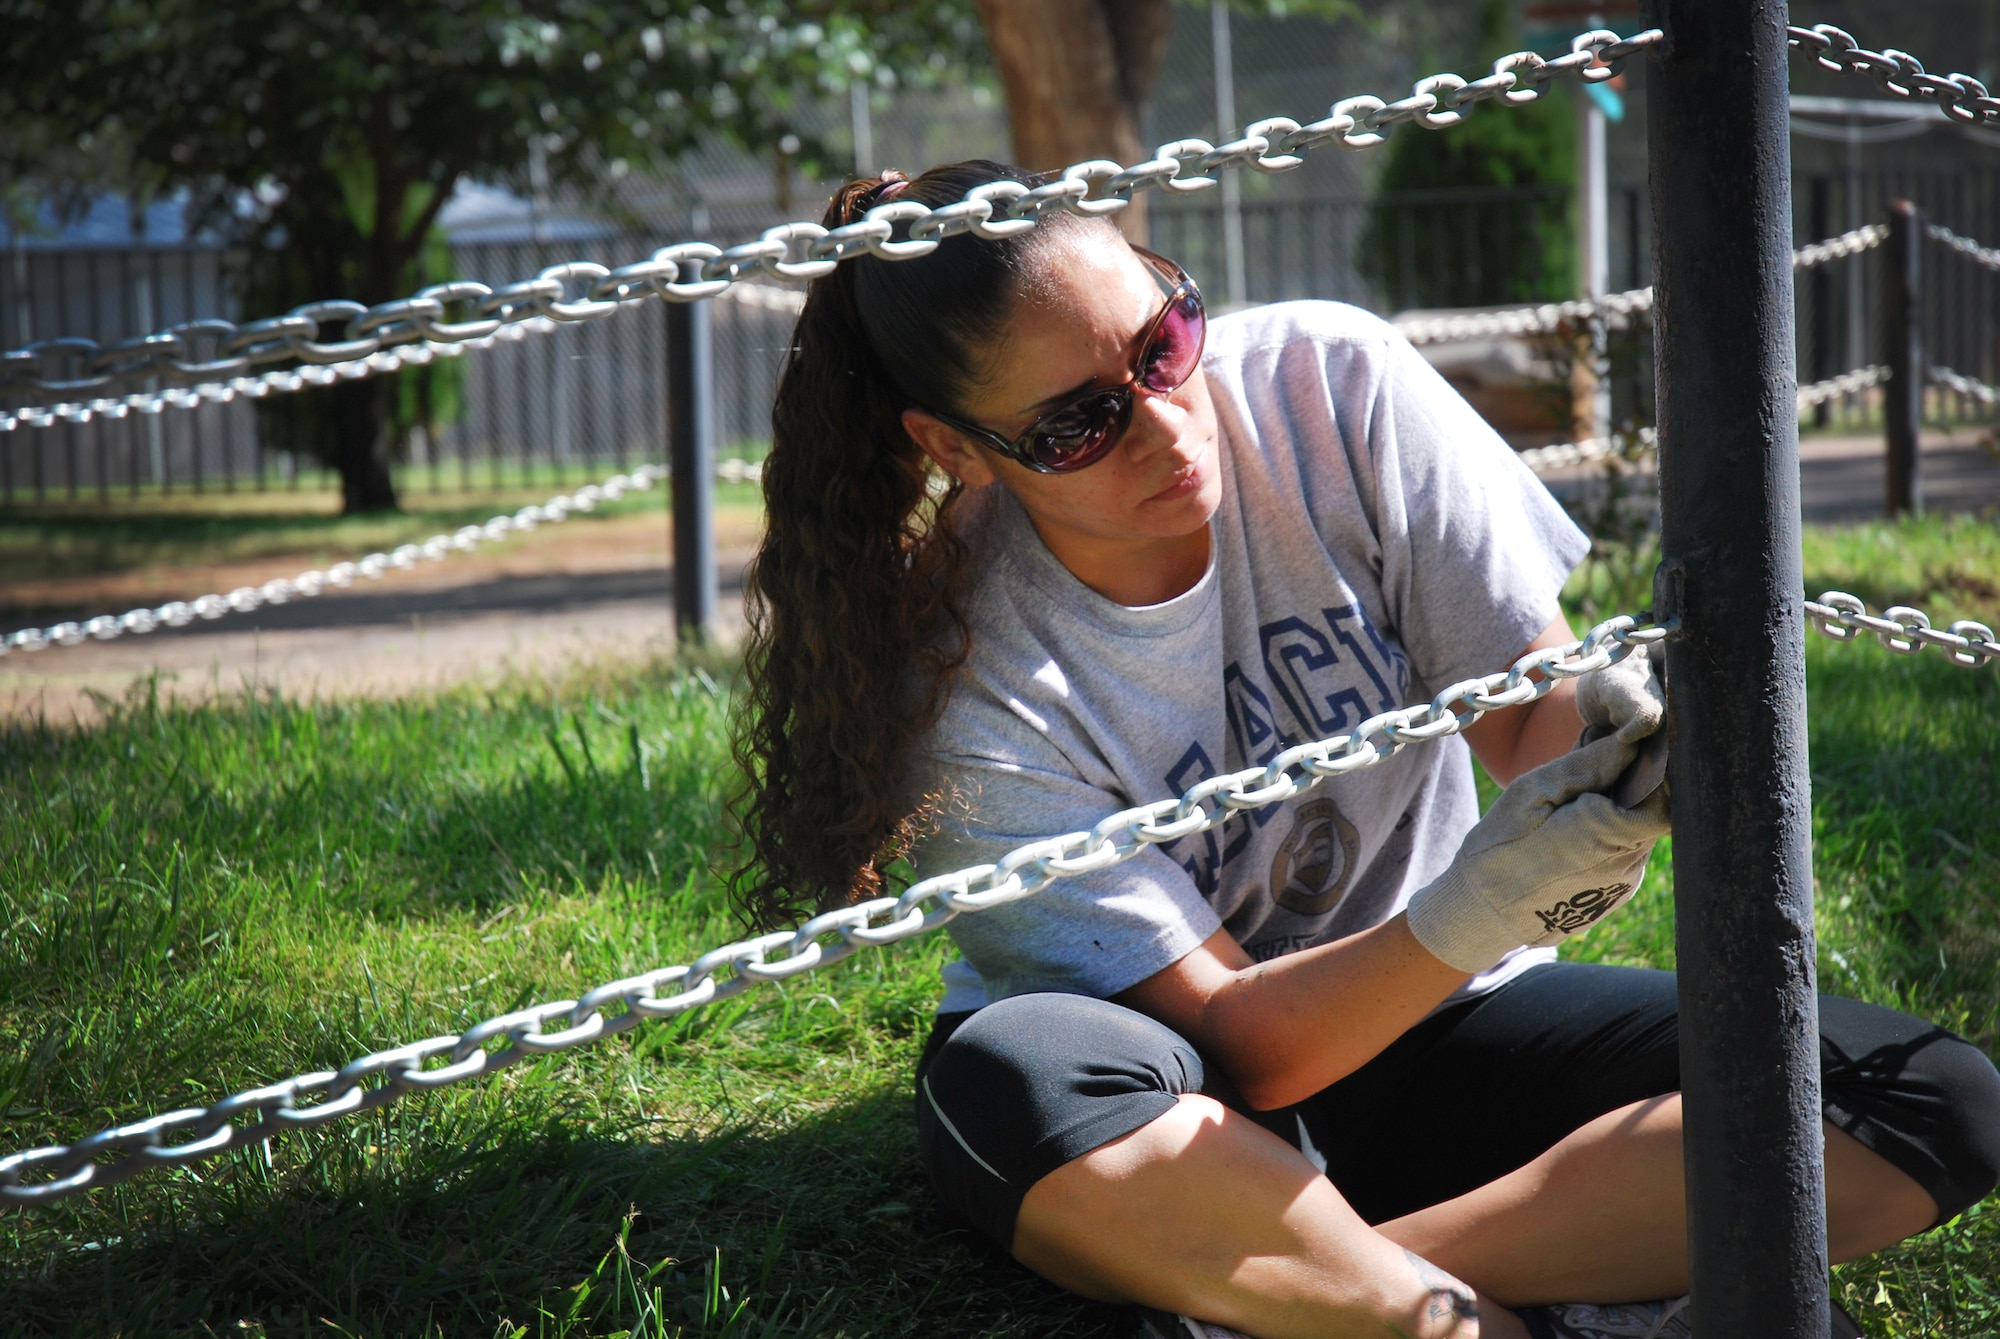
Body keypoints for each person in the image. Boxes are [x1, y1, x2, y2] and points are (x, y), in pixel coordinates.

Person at [728, 160, 2000, 1339]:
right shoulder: (954, 677)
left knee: (1924, 1098)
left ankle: (1313, 1290)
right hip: (1176, 1090)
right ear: (953, 449)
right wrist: (1479, 899)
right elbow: (1244, 1041)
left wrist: (1619, 746)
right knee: (1018, 1076)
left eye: (1163, 345)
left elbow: (1521, 721)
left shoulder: (1329, 385)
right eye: (1075, 425)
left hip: (1444, 1025)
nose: (1170, 427)